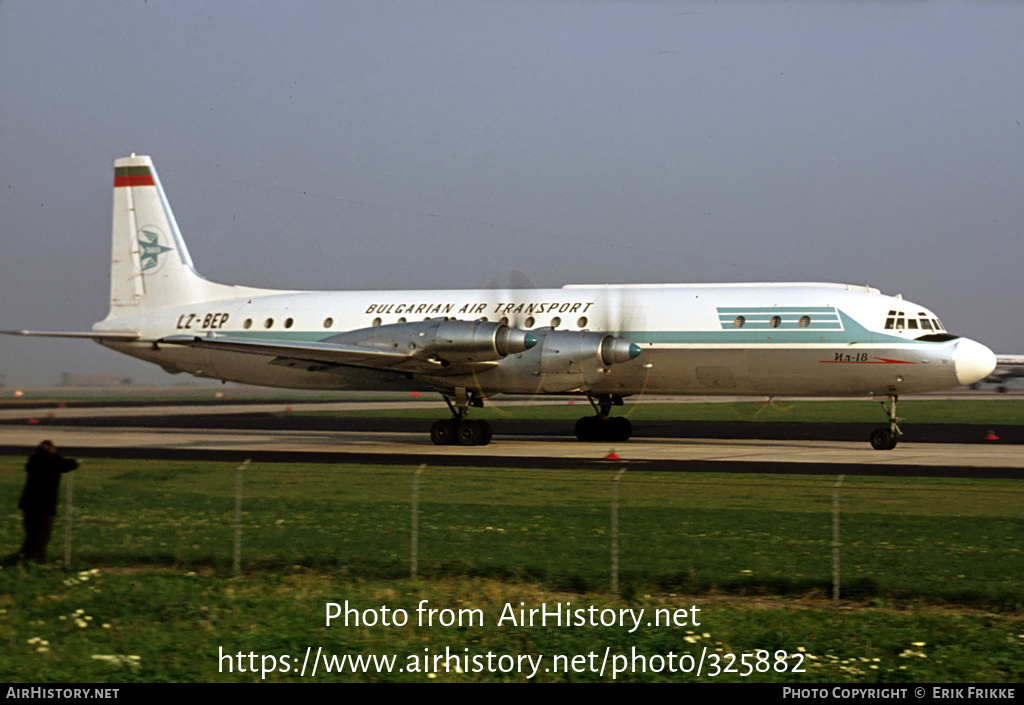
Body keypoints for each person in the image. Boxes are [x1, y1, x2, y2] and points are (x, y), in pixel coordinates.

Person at [17, 440, 78, 564]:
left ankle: (25, 557)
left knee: (31, 533)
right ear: (51, 449)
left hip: (29, 502)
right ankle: (37, 560)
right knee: (42, 534)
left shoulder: (33, 460)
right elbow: (69, 465)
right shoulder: (53, 460)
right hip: (45, 503)